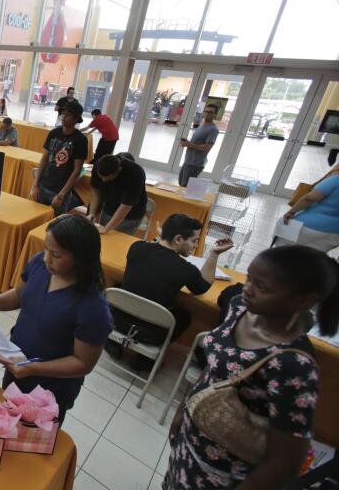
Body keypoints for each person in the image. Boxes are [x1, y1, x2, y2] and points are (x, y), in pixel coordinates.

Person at [164, 244, 337, 489]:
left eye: (262, 287)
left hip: (227, 474)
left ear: (304, 301)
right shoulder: (238, 307)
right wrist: (183, 411)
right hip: (188, 449)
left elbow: (284, 464)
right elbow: (216, 369)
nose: (248, 289)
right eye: (248, 278)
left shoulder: (294, 366)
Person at [0, 215, 113, 424]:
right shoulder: (40, 264)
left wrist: (33, 368)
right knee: (7, 421)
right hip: (17, 368)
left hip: (50, 389)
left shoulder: (92, 307)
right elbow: (19, 295)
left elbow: (82, 363)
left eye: (56, 254)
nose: (46, 258)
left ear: (80, 257)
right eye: (46, 249)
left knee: (33, 437)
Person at [116, 214, 234, 367]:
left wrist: (163, 237)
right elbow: (203, 286)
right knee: (184, 316)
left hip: (116, 319)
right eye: (194, 241)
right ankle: (145, 359)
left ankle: (113, 342)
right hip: (150, 334)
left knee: (118, 288)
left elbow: (155, 257)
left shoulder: (136, 247)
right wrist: (214, 254)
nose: (196, 246)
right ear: (178, 239)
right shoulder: (185, 269)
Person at [30, 101, 87, 216]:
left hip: (60, 191)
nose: (64, 116)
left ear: (76, 119)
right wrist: (35, 185)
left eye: (69, 114)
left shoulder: (80, 140)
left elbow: (77, 170)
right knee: (34, 217)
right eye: (63, 113)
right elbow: (44, 159)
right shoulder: (54, 133)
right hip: (43, 185)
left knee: (55, 224)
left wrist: (62, 195)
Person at [88, 153, 147, 235]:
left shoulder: (135, 173)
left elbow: (126, 206)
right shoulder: (99, 165)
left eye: (107, 178)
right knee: (101, 239)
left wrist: (106, 228)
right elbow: (96, 191)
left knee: (115, 242)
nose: (103, 181)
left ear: (119, 170)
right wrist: (92, 213)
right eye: (101, 177)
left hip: (129, 216)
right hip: (108, 208)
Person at [280, 173, 339, 252]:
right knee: (309, 259)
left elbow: (309, 198)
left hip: (307, 226)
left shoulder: (336, 180)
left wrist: (291, 212)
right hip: (335, 235)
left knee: (281, 251)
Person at [178, 103, 219, 187]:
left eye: (210, 112)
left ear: (215, 115)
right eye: (206, 111)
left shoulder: (213, 129)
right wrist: (187, 143)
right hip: (189, 160)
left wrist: (190, 144)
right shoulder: (202, 126)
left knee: (185, 187)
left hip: (195, 163)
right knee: (181, 184)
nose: (207, 113)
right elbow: (197, 143)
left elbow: (207, 147)